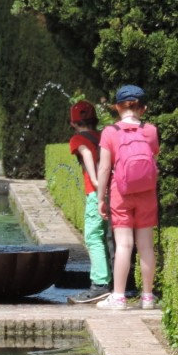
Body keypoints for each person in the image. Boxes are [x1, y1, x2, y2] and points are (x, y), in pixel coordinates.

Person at [95, 85, 160, 310]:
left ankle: (119, 297)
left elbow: (104, 168)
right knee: (146, 246)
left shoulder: (110, 132)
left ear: (116, 107)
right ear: (143, 108)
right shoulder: (150, 130)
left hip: (120, 193)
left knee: (124, 245)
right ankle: (148, 297)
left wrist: (100, 197)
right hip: (147, 194)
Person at [67, 101, 111, 304]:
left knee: (93, 237)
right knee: (109, 237)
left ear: (73, 123)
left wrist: (95, 180)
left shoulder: (77, 138)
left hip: (96, 193)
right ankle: (114, 283)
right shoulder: (103, 136)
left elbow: (85, 152)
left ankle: (99, 285)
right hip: (114, 192)